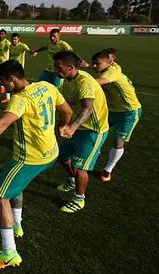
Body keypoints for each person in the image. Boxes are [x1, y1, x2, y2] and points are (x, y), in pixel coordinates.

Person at [0, 60, 73, 269]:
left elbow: (3, 123)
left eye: (4, 82)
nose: (3, 87)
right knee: (15, 184)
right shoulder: (47, 86)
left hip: (29, 158)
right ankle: (17, 226)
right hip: (51, 154)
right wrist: (62, 127)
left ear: (12, 78)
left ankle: (9, 252)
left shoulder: (20, 99)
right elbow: (66, 110)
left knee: (0, 195)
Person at [53, 51, 109, 213]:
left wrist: (72, 127)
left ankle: (79, 199)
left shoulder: (84, 82)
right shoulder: (69, 79)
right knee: (63, 157)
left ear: (71, 67)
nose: (56, 71)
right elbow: (70, 103)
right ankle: (72, 180)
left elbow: (87, 109)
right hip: (79, 128)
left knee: (80, 168)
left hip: (93, 131)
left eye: (59, 67)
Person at [92, 50, 142, 182]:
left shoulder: (112, 72)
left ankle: (108, 169)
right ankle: (94, 152)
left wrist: (80, 80)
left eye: (97, 64)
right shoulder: (114, 67)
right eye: (93, 64)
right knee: (96, 130)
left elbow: (98, 82)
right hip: (112, 109)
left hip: (128, 112)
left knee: (118, 141)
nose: (94, 67)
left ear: (109, 62)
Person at [2, 33, 30, 104]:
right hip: (11, 67)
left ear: (18, 39)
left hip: (19, 69)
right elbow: (10, 54)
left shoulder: (22, 46)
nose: (13, 40)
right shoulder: (10, 46)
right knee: (8, 81)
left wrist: (32, 53)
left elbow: (29, 50)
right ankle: (7, 98)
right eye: (12, 39)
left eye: (15, 39)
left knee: (19, 84)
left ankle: (23, 96)